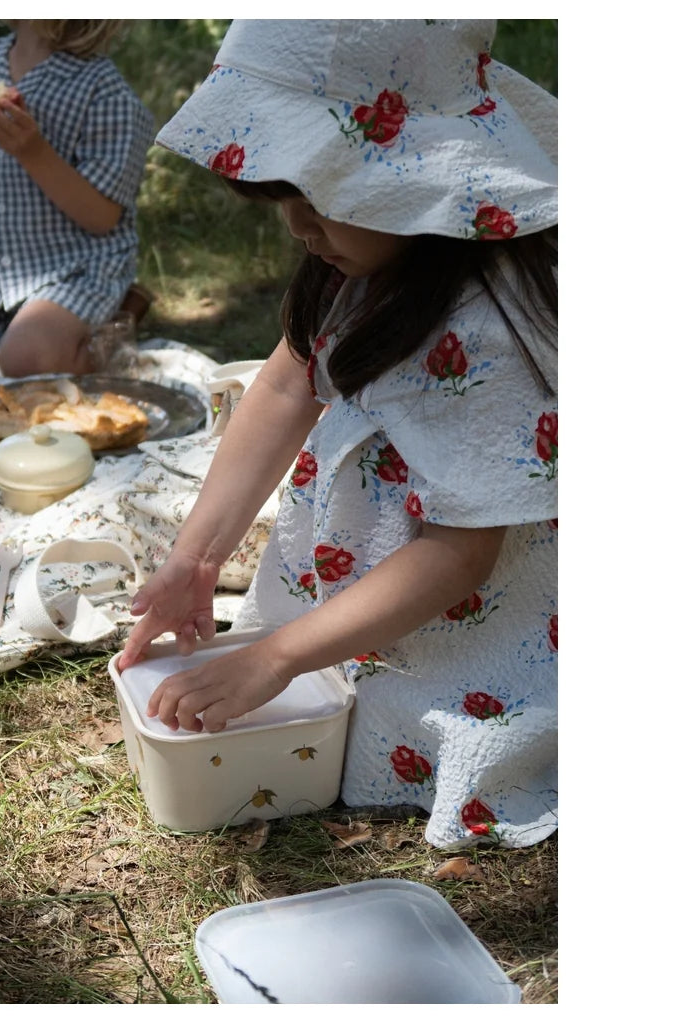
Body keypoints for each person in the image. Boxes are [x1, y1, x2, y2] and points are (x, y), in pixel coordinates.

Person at [118, 19, 558, 849]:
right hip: (373, 580)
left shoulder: (486, 330)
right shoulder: (360, 260)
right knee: (317, 690)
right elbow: (288, 382)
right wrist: (194, 560)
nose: (296, 229)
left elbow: (463, 552)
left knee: (372, 736)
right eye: (286, 199)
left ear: (419, 173)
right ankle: (329, 641)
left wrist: (276, 658)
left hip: (465, 611)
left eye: (318, 198)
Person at [0, 20, 153, 377]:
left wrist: (32, 151)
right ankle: (17, 324)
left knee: (25, 361)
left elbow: (102, 217)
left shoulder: (105, 93)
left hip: (75, 272)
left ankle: (115, 323)